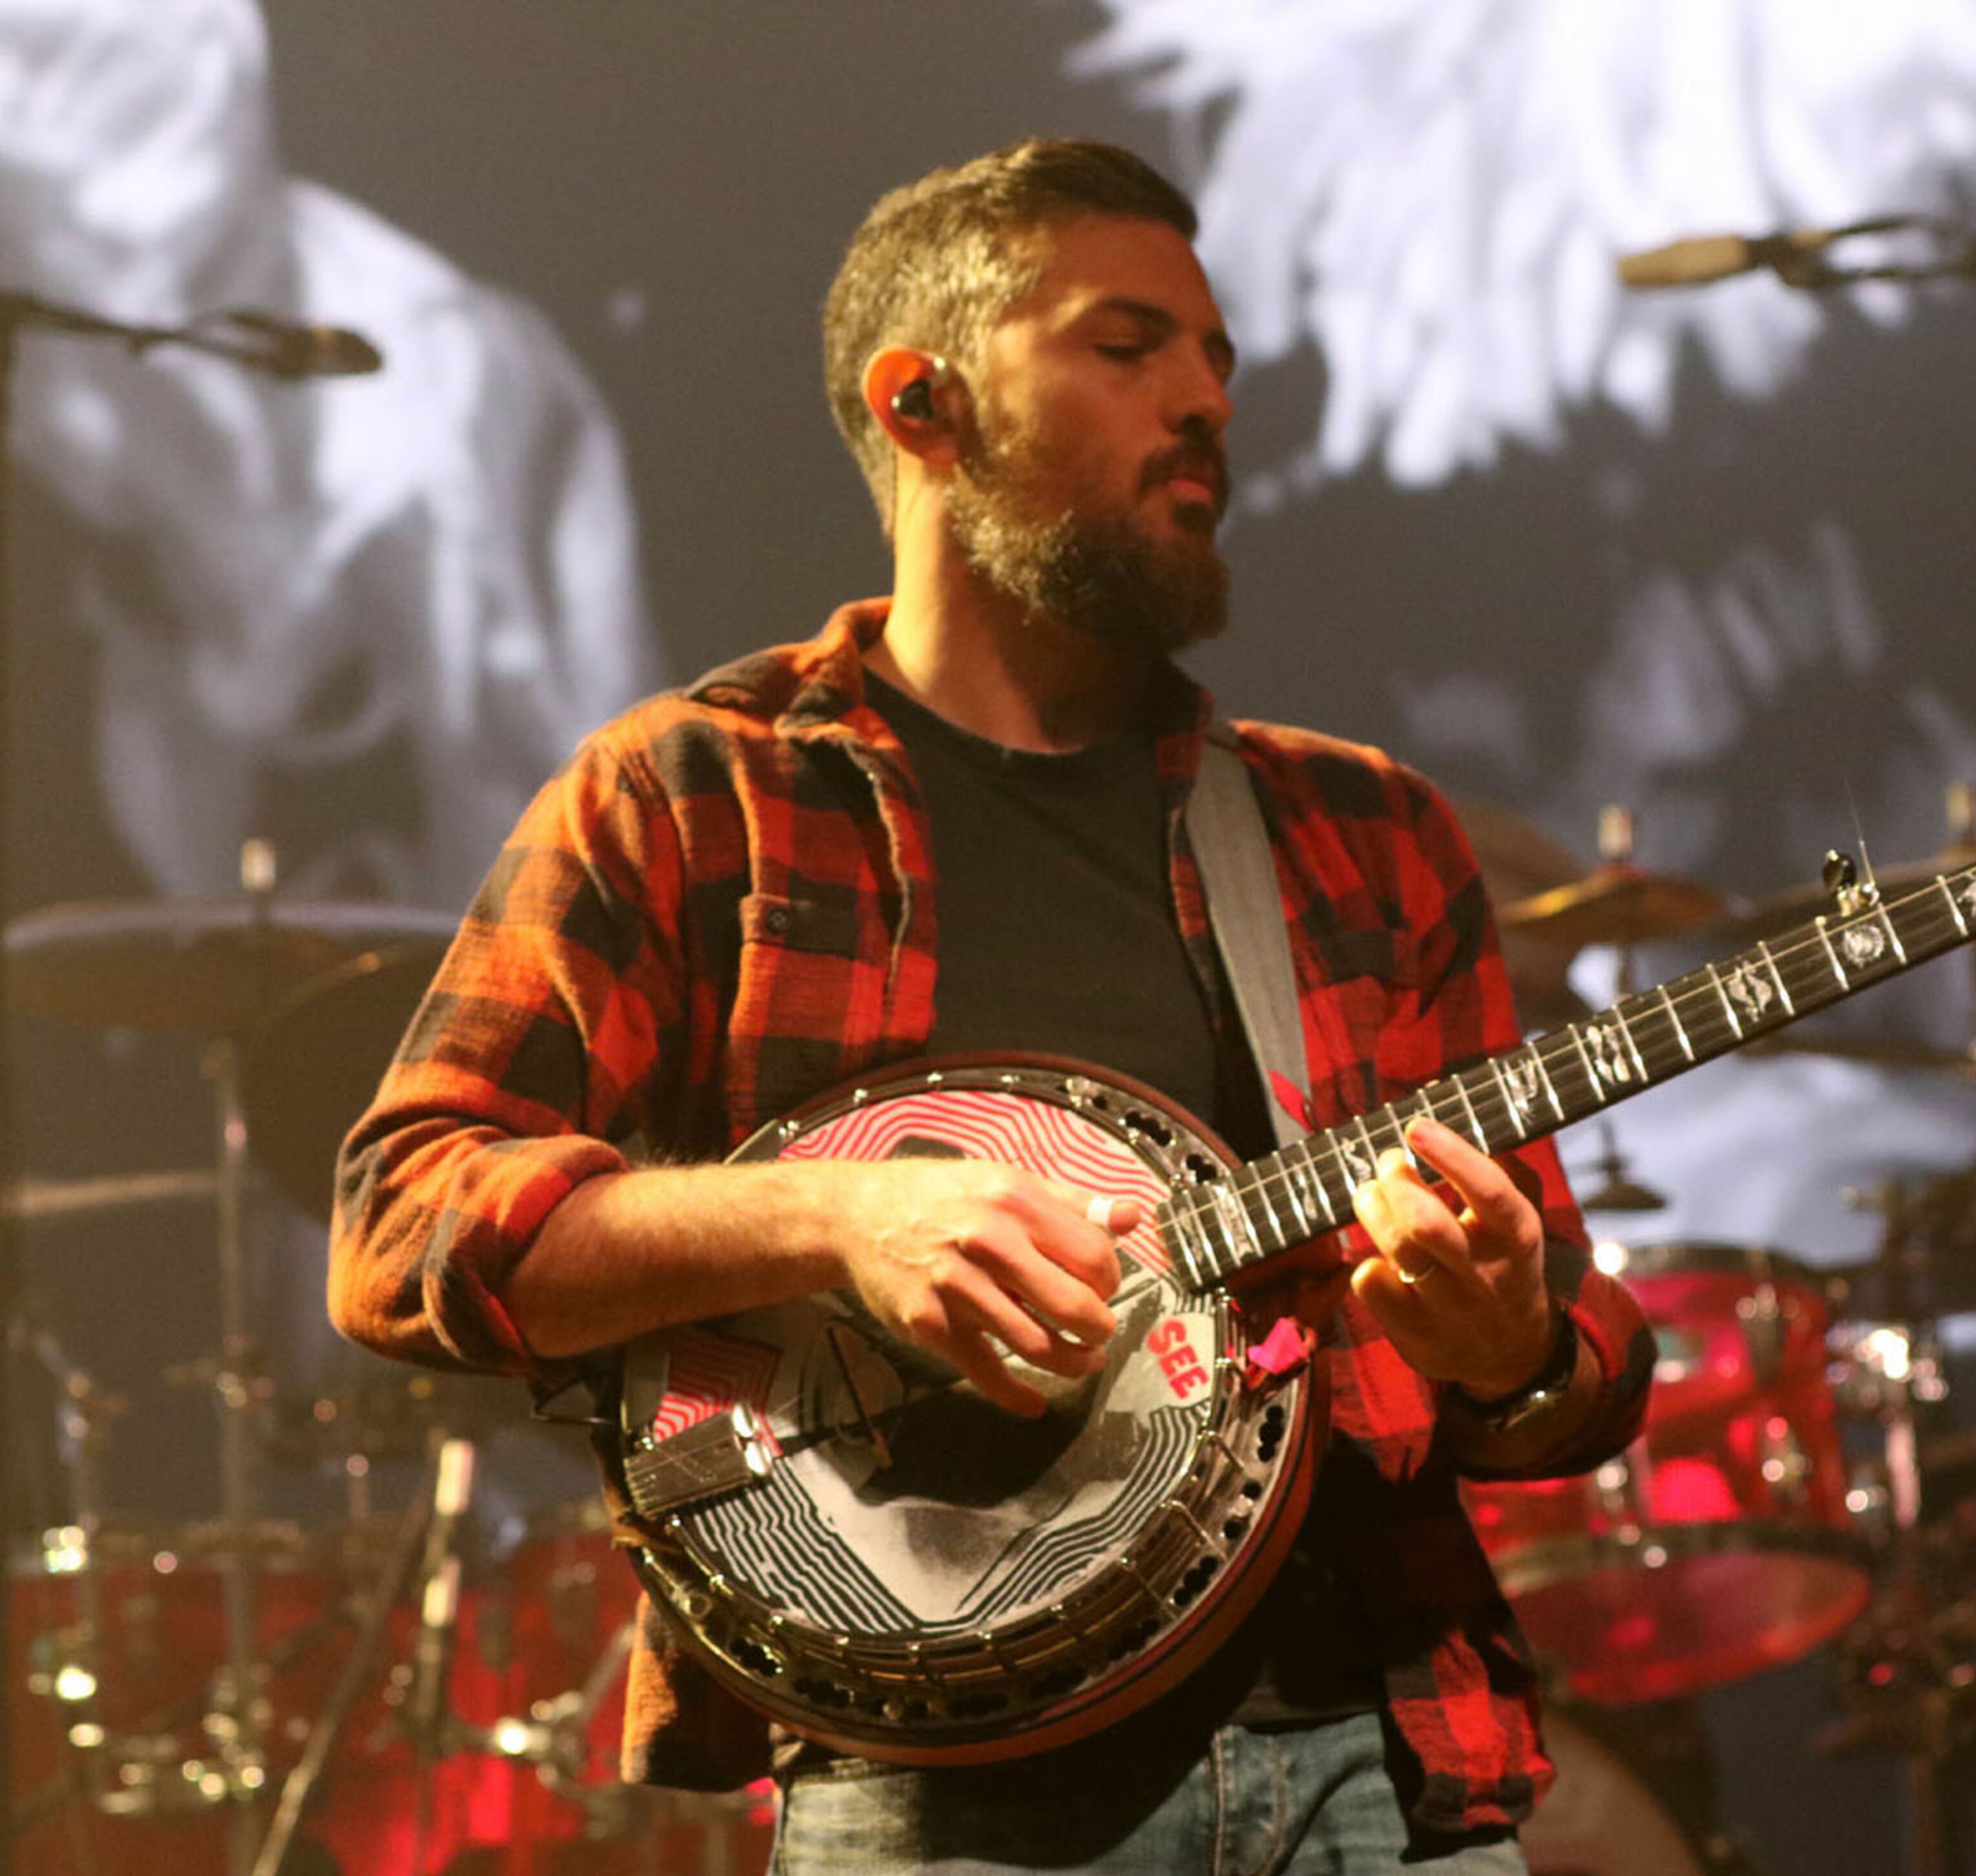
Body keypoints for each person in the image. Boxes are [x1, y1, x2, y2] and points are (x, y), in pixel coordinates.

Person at [330, 137, 1655, 1874]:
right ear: (924, 403)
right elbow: (400, 1222)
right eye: (1130, 347)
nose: (1205, 404)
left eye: (1215, 361)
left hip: (1374, 1764)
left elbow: (1574, 1366)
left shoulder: (1367, 836)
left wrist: (1513, 1345)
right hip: (935, 1805)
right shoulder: (695, 796)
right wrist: (838, 1218)